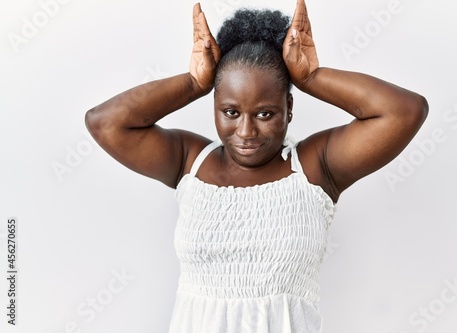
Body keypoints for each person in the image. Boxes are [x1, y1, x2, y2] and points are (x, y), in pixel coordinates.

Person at [85, 1, 428, 331]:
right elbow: (104, 123)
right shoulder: (188, 162)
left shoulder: (316, 168)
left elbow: (405, 111)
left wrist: (311, 76)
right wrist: (193, 83)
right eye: (231, 112)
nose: (246, 132)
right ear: (214, 105)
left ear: (289, 108)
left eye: (265, 114)